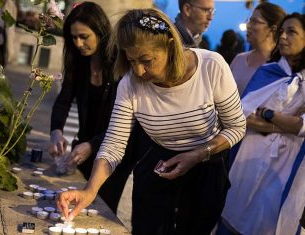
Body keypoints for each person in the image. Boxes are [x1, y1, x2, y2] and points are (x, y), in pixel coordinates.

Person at [56, 8, 246, 235]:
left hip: (207, 165)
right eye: (131, 60)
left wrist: (198, 154)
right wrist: (90, 190)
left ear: (169, 44)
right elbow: (114, 144)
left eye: (146, 60)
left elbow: (236, 126)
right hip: (157, 163)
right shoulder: (129, 82)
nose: (138, 70)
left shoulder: (211, 66)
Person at [220, 12, 305, 235]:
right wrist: (287, 122)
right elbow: (243, 115)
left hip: (286, 168)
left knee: (268, 222)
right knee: (234, 213)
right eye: (282, 31)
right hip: (248, 158)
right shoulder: (269, 71)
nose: (283, 37)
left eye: (292, 31)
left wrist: (267, 114)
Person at [49, 2, 136, 213]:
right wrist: (56, 131)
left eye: (84, 36)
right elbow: (63, 99)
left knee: (102, 210)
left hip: (116, 154)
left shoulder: (120, 62)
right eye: (73, 37)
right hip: (86, 145)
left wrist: (93, 145)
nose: (78, 43)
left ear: (100, 32)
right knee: (79, 206)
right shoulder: (78, 61)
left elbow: (128, 122)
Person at [230, 2, 286, 95]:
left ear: (273, 28)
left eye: (255, 22)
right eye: (249, 21)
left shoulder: (282, 64)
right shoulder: (239, 59)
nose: (248, 26)